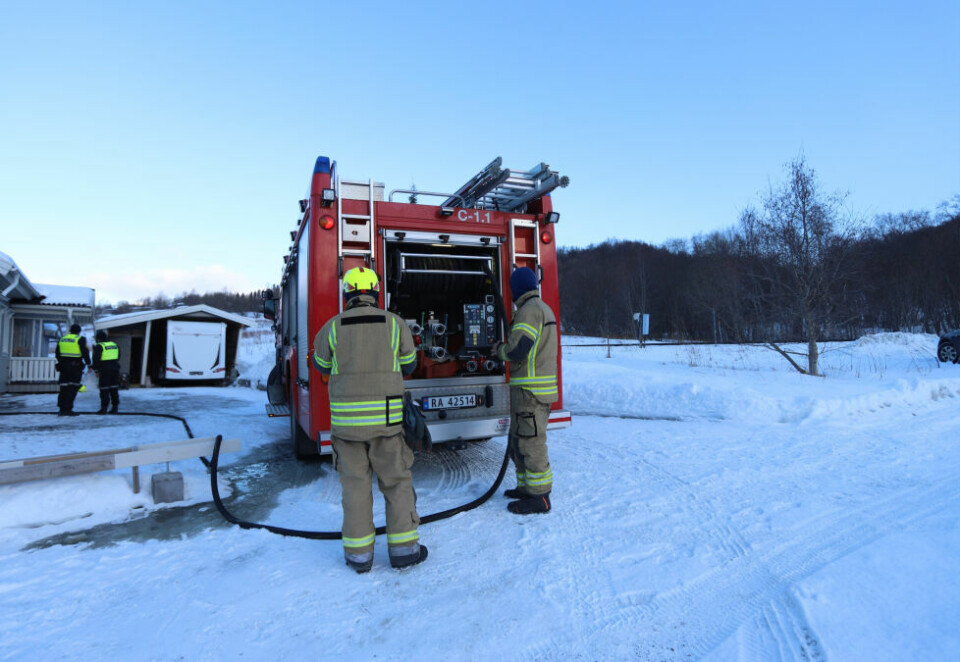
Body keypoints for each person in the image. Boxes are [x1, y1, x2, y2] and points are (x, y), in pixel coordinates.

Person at [312, 266, 426, 573]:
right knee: (397, 483)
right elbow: (410, 364)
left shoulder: (332, 327)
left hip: (347, 428)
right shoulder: (394, 324)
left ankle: (359, 557)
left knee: (355, 489)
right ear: (375, 293)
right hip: (387, 426)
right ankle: (404, 551)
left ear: (347, 294)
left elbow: (321, 365)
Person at [493, 267, 558, 515]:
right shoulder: (542, 308)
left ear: (517, 289)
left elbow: (518, 349)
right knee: (519, 442)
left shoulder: (529, 311)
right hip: (534, 392)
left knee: (531, 444)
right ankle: (526, 489)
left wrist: (499, 350)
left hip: (530, 393)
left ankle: (540, 498)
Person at [55, 323, 91, 416]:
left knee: (63, 388)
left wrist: (62, 361)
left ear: (70, 330)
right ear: (79, 331)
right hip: (75, 367)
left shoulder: (62, 339)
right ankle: (68, 409)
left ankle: (61, 408)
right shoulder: (80, 339)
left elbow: (57, 353)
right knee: (73, 387)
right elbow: (85, 352)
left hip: (63, 367)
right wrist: (89, 364)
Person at [92, 329, 121, 414]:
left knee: (104, 389)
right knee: (114, 388)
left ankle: (104, 408)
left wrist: (96, 370)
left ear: (98, 339)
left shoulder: (99, 346)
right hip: (115, 368)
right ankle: (115, 408)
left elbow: (95, 360)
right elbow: (118, 356)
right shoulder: (115, 345)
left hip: (104, 369)